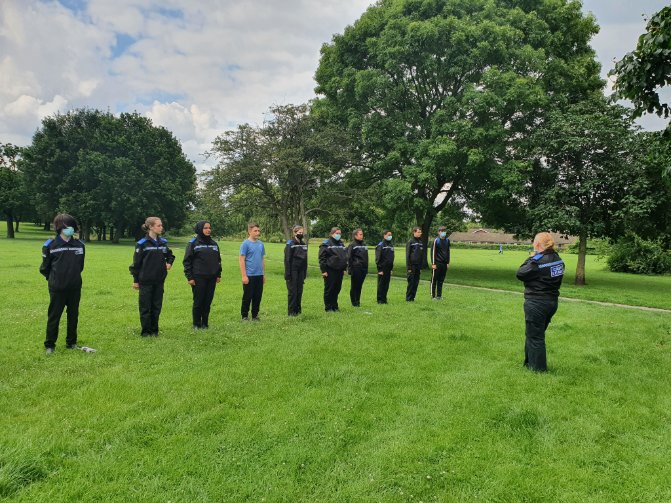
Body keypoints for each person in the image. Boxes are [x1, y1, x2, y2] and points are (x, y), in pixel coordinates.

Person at [516, 232, 565, 372]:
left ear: (537, 244)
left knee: (535, 337)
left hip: (537, 302)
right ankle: (528, 363)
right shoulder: (558, 259)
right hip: (551, 302)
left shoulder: (537, 261)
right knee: (534, 334)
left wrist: (531, 257)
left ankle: (538, 370)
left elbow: (520, 273)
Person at [40, 213, 86, 354]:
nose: (71, 229)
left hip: (74, 287)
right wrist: (54, 280)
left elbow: (81, 266)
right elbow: (44, 268)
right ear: (60, 227)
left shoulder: (79, 245)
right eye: (68, 226)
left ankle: (71, 342)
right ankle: (50, 345)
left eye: (73, 226)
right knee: (54, 316)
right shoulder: (50, 245)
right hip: (57, 288)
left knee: (73, 316)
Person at [129, 217, 175, 336]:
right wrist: (135, 280)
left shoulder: (163, 243)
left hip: (159, 280)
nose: (161, 227)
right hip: (145, 281)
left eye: (161, 225)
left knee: (156, 306)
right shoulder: (142, 244)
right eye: (159, 225)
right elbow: (136, 264)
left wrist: (169, 263)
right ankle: (146, 332)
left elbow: (170, 255)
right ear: (151, 227)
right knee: (145, 308)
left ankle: (154, 331)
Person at [183, 221, 222, 329]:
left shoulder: (214, 244)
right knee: (198, 301)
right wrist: (189, 277)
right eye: (205, 228)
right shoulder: (193, 243)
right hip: (198, 277)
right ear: (200, 229)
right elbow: (187, 261)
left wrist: (218, 274)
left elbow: (218, 260)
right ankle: (196, 324)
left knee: (208, 301)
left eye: (209, 228)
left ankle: (205, 323)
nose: (208, 230)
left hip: (212, 277)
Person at [239, 223, 266, 321]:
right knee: (247, 296)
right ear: (249, 232)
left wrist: (263, 274)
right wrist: (244, 276)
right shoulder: (245, 244)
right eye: (255, 231)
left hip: (259, 275)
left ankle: (255, 315)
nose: (258, 232)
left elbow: (262, 259)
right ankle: (244, 316)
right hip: (249, 275)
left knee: (257, 296)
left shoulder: (261, 244)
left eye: (258, 231)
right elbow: (242, 260)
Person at [318, 227, 347, 312]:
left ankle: (335, 305)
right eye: (337, 233)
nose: (339, 235)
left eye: (340, 233)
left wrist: (344, 268)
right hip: (330, 270)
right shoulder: (326, 244)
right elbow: (322, 258)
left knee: (337, 289)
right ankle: (328, 307)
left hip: (340, 270)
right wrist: (323, 271)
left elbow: (344, 257)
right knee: (329, 289)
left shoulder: (341, 244)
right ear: (332, 234)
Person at [284, 225, 308, 316]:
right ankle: (291, 312)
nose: (301, 234)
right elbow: (287, 259)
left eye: (302, 233)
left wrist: (305, 272)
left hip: (301, 271)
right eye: (299, 233)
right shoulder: (290, 243)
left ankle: (298, 311)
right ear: (294, 233)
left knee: (299, 291)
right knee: (292, 291)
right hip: (293, 270)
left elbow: (305, 259)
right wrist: (288, 274)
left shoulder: (303, 244)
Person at [347, 228, 369, 307]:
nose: (362, 235)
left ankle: (358, 301)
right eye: (360, 234)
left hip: (363, 268)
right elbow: (349, 258)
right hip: (356, 268)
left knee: (360, 285)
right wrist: (350, 269)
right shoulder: (352, 245)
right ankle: (354, 302)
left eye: (362, 234)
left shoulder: (364, 244)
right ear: (355, 235)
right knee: (355, 285)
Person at [430, 226, 451, 300]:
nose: (443, 232)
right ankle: (433, 296)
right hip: (437, 263)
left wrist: (448, 262)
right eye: (442, 231)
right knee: (434, 279)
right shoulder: (436, 240)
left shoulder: (447, 240)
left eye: (444, 231)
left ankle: (439, 296)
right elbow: (433, 252)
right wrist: (433, 263)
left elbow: (448, 252)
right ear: (438, 232)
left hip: (444, 264)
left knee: (441, 280)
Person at [375, 230, 395, 304]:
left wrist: (391, 268)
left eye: (391, 235)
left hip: (388, 268)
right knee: (381, 284)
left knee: (386, 284)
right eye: (389, 235)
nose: (390, 236)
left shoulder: (391, 245)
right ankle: (380, 300)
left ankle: (384, 299)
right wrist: (380, 269)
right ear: (384, 235)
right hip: (382, 268)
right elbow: (378, 258)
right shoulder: (381, 245)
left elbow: (392, 258)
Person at [405, 226, 424, 301]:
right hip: (412, 265)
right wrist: (409, 267)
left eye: (420, 232)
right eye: (418, 232)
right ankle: (409, 298)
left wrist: (421, 267)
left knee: (416, 282)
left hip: (418, 266)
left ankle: (413, 297)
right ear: (414, 232)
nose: (420, 233)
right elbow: (408, 255)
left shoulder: (421, 242)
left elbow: (421, 255)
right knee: (411, 282)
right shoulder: (411, 242)